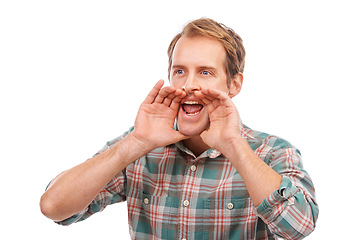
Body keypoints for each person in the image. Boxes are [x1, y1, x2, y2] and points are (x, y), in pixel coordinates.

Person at [40, 18, 318, 239]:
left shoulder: (273, 152)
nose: (187, 86)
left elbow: (299, 227)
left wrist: (235, 146)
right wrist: (136, 142)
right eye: (180, 71)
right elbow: (54, 207)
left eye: (205, 72)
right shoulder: (141, 146)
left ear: (234, 84)